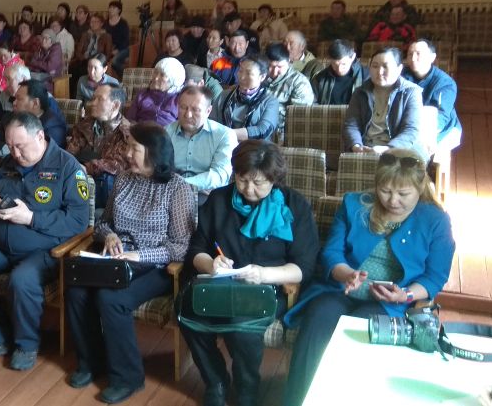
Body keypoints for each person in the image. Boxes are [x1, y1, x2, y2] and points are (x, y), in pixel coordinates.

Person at [282, 149, 454, 406]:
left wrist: (405, 294)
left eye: (403, 194)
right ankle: (298, 399)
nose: (393, 200)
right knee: (317, 321)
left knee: (360, 332)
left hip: (390, 302)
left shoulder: (435, 220)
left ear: (420, 188)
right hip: (341, 289)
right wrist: (346, 273)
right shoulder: (354, 204)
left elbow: (435, 276)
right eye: (385, 190)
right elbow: (331, 252)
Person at [179, 140, 319, 406]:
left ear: (274, 179)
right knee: (188, 310)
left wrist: (264, 274)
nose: (248, 190)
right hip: (222, 284)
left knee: (242, 327)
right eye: (243, 180)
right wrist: (210, 264)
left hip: (267, 288)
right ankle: (216, 381)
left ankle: (247, 391)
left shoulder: (293, 206)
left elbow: (304, 267)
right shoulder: (220, 199)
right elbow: (197, 247)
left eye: (258, 183)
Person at [66, 123, 197, 403]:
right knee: (76, 289)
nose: (127, 154)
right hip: (117, 258)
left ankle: (128, 377)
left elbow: (182, 248)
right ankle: (91, 361)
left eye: (134, 148)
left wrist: (141, 255)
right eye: (128, 147)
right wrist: (110, 235)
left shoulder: (178, 189)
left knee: (112, 299)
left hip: (158, 266)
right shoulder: (124, 180)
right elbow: (103, 222)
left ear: (154, 153)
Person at [0, 112, 89, 371]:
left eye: (20, 146)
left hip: (46, 248)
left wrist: (30, 218)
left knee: (22, 280)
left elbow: (77, 222)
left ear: (40, 136)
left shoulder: (67, 167)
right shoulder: (6, 163)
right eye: (10, 146)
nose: (14, 153)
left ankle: (26, 345)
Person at [342, 47, 426, 159]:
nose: (380, 72)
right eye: (375, 66)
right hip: (366, 148)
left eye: (386, 66)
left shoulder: (411, 92)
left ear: (399, 69)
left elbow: (411, 130)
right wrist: (356, 146)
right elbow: (351, 125)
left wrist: (388, 149)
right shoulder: (360, 92)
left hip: (399, 149)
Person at [66, 84, 132, 209]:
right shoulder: (84, 125)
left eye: (100, 99)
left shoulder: (127, 132)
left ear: (115, 105)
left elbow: (115, 164)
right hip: (76, 175)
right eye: (93, 98)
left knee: (107, 178)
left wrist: (84, 167)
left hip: (105, 185)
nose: (92, 103)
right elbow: (70, 152)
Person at [167, 86, 237, 201]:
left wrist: (183, 185)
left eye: (195, 110)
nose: (188, 115)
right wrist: (191, 186)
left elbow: (220, 175)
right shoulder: (166, 132)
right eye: (183, 107)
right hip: (170, 195)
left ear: (208, 111)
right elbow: (157, 168)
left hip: (208, 197)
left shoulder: (224, 135)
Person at [403, 39, 462, 151]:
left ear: (432, 57)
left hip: (442, 127)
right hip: (409, 124)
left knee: (420, 150)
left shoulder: (445, 83)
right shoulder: (401, 75)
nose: (413, 58)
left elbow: (441, 116)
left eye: (418, 54)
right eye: (410, 54)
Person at [211, 57, 281, 142]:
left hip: (256, 149)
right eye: (240, 71)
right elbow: (212, 123)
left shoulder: (270, 102)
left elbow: (263, 131)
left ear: (262, 77)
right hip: (224, 145)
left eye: (248, 73)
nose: (242, 77)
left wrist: (227, 134)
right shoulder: (225, 95)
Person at [265, 43, 315, 141]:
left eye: (279, 67)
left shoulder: (299, 82)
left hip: (283, 131)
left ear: (288, 62)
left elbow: (298, 116)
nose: (274, 72)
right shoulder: (260, 76)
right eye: (270, 66)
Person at [126, 57, 186, 126]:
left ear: (173, 81)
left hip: (166, 135)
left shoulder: (180, 99)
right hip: (140, 133)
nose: (156, 78)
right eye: (156, 72)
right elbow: (130, 119)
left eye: (162, 75)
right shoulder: (142, 94)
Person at [70, 13, 115, 96]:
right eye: (91, 22)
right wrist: (81, 57)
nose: (93, 24)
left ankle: (85, 94)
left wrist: (100, 60)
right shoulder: (85, 34)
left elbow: (108, 53)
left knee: (83, 71)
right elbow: (78, 50)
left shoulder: (106, 36)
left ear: (101, 23)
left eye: (96, 22)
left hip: (97, 60)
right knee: (72, 69)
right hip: (84, 60)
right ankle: (73, 96)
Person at [13, 80, 67, 147]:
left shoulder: (53, 128)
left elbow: (48, 156)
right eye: (15, 98)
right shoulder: (15, 116)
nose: (14, 103)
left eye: (19, 99)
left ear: (35, 103)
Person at [312, 40, 366, 105]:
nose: (339, 69)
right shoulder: (320, 78)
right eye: (335, 64)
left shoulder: (366, 75)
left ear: (353, 57)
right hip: (327, 114)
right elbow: (313, 104)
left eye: (343, 64)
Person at [106, 1, 131, 77]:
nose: (111, 9)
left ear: (119, 10)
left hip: (123, 48)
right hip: (109, 48)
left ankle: (127, 77)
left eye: (113, 8)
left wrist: (117, 50)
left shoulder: (123, 23)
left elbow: (126, 40)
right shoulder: (105, 22)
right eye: (110, 7)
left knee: (115, 61)